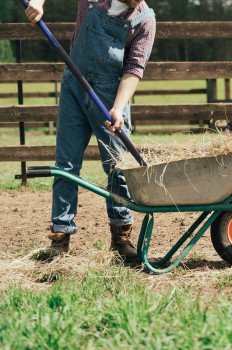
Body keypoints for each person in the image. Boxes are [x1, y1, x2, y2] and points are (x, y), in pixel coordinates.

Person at [25, 0, 156, 261]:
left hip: (110, 97)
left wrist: (118, 108)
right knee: (66, 165)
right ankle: (60, 240)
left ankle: (121, 239)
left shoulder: (144, 20)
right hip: (74, 86)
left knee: (118, 167)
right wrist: (37, 2)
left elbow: (134, 69)